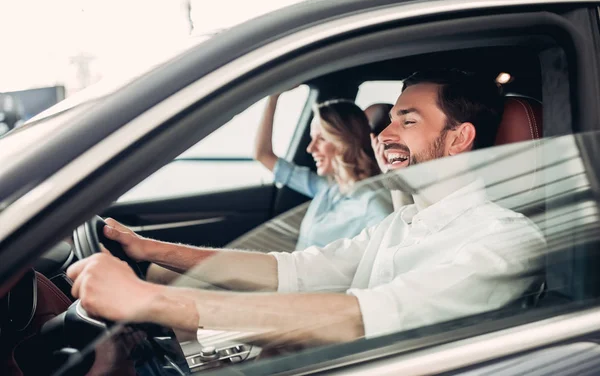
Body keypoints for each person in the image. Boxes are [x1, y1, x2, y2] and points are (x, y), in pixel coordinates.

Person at [67, 69, 546, 347]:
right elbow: (292, 270)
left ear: (459, 137)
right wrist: (151, 248)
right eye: (389, 120)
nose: (384, 135)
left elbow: (365, 316)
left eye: (408, 119)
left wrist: (156, 302)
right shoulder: (402, 222)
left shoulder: (504, 240)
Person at [253, 93, 393, 250]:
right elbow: (263, 155)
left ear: (345, 141)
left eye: (321, 138)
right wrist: (273, 96)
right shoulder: (327, 189)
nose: (310, 148)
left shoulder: (372, 203)